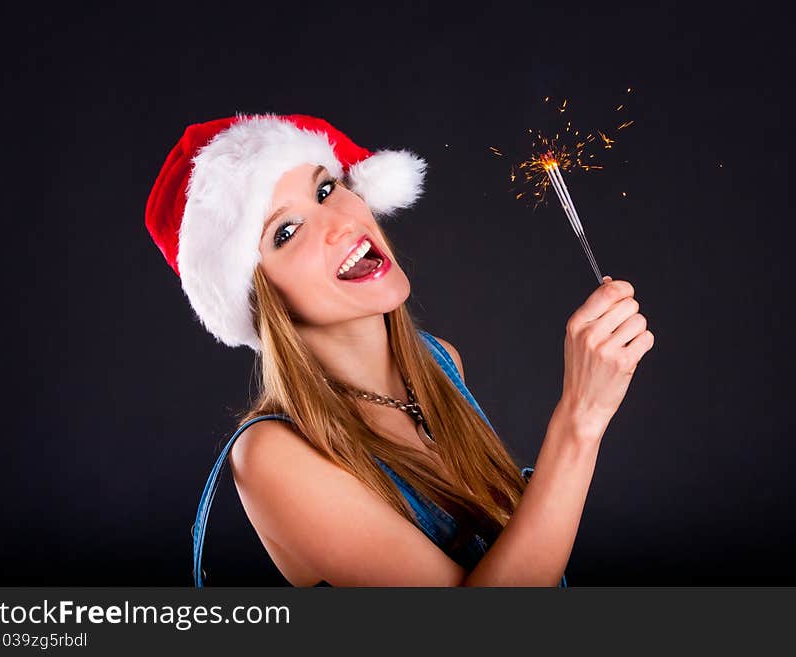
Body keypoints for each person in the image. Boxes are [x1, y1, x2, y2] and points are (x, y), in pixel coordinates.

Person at [145, 113, 655, 587]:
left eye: (326, 189)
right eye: (287, 231)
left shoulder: (440, 363)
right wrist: (580, 421)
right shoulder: (271, 455)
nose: (340, 223)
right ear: (260, 299)